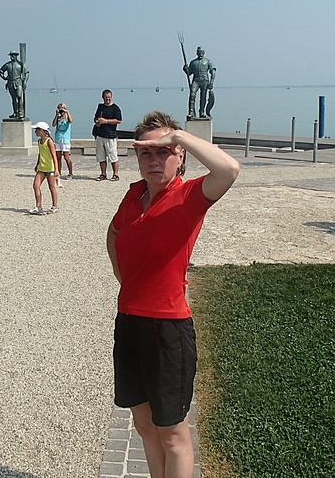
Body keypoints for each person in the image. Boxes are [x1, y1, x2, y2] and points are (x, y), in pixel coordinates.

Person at [106, 110, 240, 478]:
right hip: (129, 321)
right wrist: (125, 278)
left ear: (179, 156)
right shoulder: (134, 195)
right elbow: (114, 234)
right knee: (145, 426)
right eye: (146, 152)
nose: (154, 160)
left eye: (163, 151)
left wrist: (178, 137)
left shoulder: (190, 196)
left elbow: (229, 170)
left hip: (168, 330)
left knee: (173, 434)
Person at [29, 121, 59, 214]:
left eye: (37, 130)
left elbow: (54, 156)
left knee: (52, 187)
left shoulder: (49, 141)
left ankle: (55, 206)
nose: (35, 132)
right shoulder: (39, 141)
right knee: (36, 186)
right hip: (41, 168)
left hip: (50, 168)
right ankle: (38, 206)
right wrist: (37, 164)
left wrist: (56, 169)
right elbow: (40, 153)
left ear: (42, 131)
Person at [93, 89, 122, 181]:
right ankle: (103, 174)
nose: (107, 99)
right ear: (103, 98)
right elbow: (95, 117)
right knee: (101, 156)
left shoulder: (115, 108)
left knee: (113, 156)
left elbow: (119, 120)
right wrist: (97, 122)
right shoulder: (100, 107)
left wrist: (106, 121)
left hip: (110, 135)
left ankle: (115, 174)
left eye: (109, 98)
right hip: (100, 134)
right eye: (106, 98)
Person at [182, 47, 216, 119]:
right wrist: (185, 69)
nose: (200, 53)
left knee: (203, 97)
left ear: (204, 53)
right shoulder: (193, 62)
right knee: (192, 95)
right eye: (199, 52)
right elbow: (189, 73)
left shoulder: (208, 61)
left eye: (202, 52)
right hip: (196, 80)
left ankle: (202, 112)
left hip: (205, 81)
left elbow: (213, 72)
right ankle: (191, 112)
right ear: (197, 53)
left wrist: (211, 82)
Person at [0, 51, 29, 119]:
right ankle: (15, 112)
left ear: (16, 56)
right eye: (11, 55)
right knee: (13, 98)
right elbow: (1, 71)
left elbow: (26, 73)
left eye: (13, 55)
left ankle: (20, 112)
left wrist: (25, 81)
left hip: (18, 82)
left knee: (19, 96)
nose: (12, 57)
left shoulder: (20, 64)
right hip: (10, 83)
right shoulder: (7, 65)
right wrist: (4, 78)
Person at [52, 102, 73, 180]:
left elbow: (71, 121)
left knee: (66, 157)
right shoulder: (58, 118)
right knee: (58, 157)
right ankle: (58, 172)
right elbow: (53, 125)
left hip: (65, 139)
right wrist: (56, 116)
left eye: (62, 110)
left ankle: (70, 173)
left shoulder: (67, 118)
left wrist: (67, 112)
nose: (62, 112)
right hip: (58, 139)